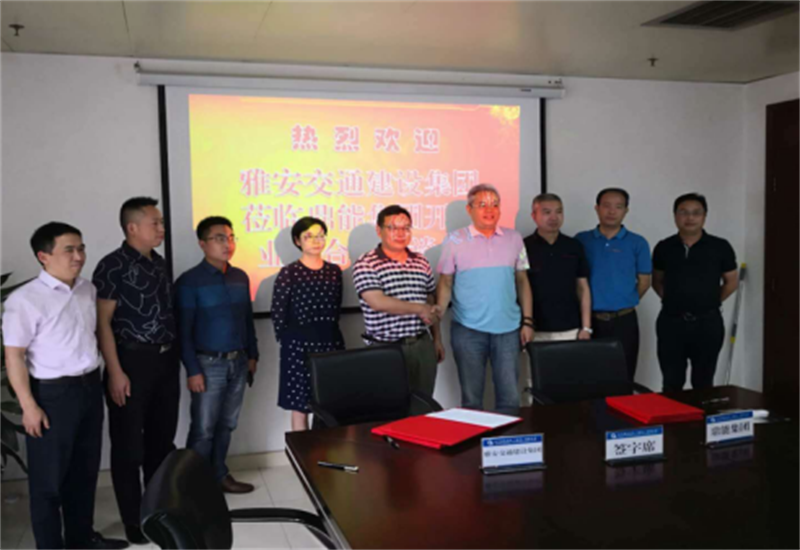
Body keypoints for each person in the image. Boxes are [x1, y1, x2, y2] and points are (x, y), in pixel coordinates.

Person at [3, 223, 128, 550]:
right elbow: (14, 356)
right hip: (52, 395)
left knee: (84, 472)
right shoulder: (25, 300)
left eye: (81, 248)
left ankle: (81, 539)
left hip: (88, 387)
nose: (79, 256)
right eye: (69, 250)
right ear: (43, 256)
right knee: (48, 482)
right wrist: (28, 405)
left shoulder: (87, 289)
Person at [92, 197, 179, 545]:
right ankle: (132, 519)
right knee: (129, 447)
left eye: (161, 222)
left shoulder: (159, 263)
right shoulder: (111, 266)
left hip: (165, 361)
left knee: (162, 441)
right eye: (154, 223)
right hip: (130, 363)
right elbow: (102, 323)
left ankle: (156, 513)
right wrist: (115, 371)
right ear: (132, 227)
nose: (161, 228)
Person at [176, 217, 259, 493]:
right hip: (207, 364)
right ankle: (194, 487)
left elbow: (247, 320)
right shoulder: (189, 282)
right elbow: (183, 331)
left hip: (239, 361)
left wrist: (253, 355)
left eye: (231, 237)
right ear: (202, 244)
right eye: (220, 238)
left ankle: (219, 475)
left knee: (227, 424)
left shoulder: (240, 277)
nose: (228, 244)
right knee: (203, 429)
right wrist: (192, 370)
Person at [436, 184, 533, 414]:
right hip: (468, 330)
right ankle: (475, 440)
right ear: (469, 209)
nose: (489, 210)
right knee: (471, 400)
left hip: (508, 329)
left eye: (495, 204)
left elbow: (522, 281)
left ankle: (508, 438)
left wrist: (528, 321)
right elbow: (446, 282)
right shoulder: (454, 240)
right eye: (482, 205)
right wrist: (437, 315)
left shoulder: (514, 238)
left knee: (509, 399)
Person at [352, 205, 443, 398]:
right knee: (389, 406)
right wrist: (420, 309)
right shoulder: (366, 263)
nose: (401, 233)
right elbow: (377, 302)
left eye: (406, 228)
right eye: (393, 228)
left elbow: (430, 299)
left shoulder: (421, 261)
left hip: (421, 344)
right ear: (379, 231)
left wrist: (437, 339)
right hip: (385, 348)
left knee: (424, 404)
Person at [652, 193, 738, 392]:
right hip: (671, 323)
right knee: (671, 382)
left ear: (704, 216)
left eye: (696, 213)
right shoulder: (664, 247)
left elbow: (731, 282)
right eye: (683, 212)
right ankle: (673, 414)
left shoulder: (720, 246)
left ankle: (700, 414)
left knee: (703, 382)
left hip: (707, 324)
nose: (690, 218)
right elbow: (657, 281)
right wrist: (674, 301)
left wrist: (710, 302)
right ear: (675, 216)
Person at [272, 217, 345, 431]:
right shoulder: (289, 273)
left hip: (330, 343)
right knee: (300, 405)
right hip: (298, 347)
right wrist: (290, 342)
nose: (316, 241)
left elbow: (336, 307)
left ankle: (326, 450)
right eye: (309, 236)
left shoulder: (334, 271)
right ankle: (301, 450)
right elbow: (278, 313)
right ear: (298, 241)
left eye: (320, 236)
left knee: (330, 403)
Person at [576, 188, 651, 381]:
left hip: (624, 321)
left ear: (626, 210)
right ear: (597, 208)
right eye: (606, 206)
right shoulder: (582, 240)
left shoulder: (637, 243)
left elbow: (644, 282)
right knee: (589, 379)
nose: (612, 211)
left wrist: (624, 300)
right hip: (589, 321)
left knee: (623, 377)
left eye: (618, 207)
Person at [524, 193, 592, 341]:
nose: (554, 217)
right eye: (547, 212)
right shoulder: (524, 246)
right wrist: (526, 324)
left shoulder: (574, 246)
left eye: (559, 212)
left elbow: (583, 287)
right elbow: (519, 287)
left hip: (571, 328)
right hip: (534, 329)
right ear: (533, 216)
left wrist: (586, 327)